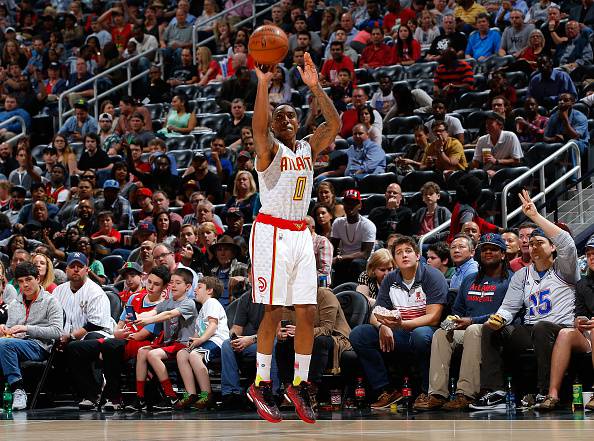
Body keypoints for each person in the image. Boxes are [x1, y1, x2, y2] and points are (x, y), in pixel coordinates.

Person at [247, 51, 340, 424]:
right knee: (273, 309)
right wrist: (263, 84)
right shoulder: (268, 148)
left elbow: (332, 124)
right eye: (279, 115)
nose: (286, 118)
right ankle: (261, 382)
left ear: (298, 122)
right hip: (271, 231)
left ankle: (299, 384)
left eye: (291, 115)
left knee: (307, 310)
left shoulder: (306, 148)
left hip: (300, 232)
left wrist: (316, 87)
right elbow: (257, 128)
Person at [471, 190, 578, 410]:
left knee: (541, 327)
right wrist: (499, 318)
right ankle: (496, 391)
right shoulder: (522, 274)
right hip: (531, 330)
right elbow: (509, 308)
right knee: (490, 329)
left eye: (540, 242)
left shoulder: (565, 269)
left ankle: (544, 391)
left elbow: (567, 242)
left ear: (552, 247)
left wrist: (536, 217)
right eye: (530, 244)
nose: (534, 246)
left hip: (560, 330)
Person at [414, 233, 512, 411]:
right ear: (479, 254)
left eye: (493, 249)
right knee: (441, 333)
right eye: (485, 249)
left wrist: (471, 321)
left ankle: (466, 394)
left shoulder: (509, 280)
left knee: (473, 330)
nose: (488, 252)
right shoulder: (469, 280)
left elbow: (507, 312)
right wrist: (452, 320)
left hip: (495, 330)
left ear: (503, 254)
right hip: (467, 326)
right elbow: (457, 311)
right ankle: (437, 394)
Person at [349, 236, 449, 408]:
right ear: (394, 259)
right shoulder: (390, 279)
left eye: (408, 251)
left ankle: (428, 392)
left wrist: (401, 325)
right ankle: (386, 390)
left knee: (420, 335)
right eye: (399, 253)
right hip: (399, 331)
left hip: (428, 331)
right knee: (359, 334)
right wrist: (382, 326)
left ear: (418, 256)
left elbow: (434, 317)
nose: (404, 255)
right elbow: (376, 313)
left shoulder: (432, 276)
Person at [535, 235, 594, 410]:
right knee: (565, 333)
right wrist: (579, 322)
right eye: (589, 253)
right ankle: (552, 394)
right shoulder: (583, 284)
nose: (591, 257)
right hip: (590, 334)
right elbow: (580, 313)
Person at [131, 268, 198, 411]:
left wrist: (148, 321)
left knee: (152, 354)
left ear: (187, 287)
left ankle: (170, 396)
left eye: (178, 283)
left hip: (183, 345)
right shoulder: (166, 302)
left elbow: (168, 315)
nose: (173, 285)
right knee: (142, 351)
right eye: (172, 282)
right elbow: (152, 312)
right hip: (169, 345)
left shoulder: (189, 303)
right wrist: (137, 317)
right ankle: (140, 397)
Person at [0, 261, 63, 411]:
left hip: (40, 346)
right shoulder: (15, 304)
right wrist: (5, 329)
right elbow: (12, 330)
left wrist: (27, 329)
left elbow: (57, 332)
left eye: (28, 279)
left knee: (4, 345)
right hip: (17, 344)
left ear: (38, 279)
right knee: (4, 343)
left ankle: (18, 389)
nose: (25, 285)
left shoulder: (51, 301)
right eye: (21, 282)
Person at [55, 252, 114, 410]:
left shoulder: (95, 291)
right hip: (68, 337)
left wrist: (71, 336)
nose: (76, 270)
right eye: (72, 266)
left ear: (86, 270)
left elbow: (95, 324)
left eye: (79, 267)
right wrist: (60, 338)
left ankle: (96, 391)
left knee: (86, 343)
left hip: (99, 335)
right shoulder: (58, 291)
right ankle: (87, 393)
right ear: (66, 269)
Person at [174, 277, 228, 410]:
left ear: (209, 290)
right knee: (182, 354)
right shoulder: (203, 309)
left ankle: (207, 395)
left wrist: (201, 340)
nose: (195, 290)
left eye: (199, 287)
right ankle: (191, 394)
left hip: (217, 341)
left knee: (194, 355)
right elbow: (199, 332)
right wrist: (193, 341)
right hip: (206, 340)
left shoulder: (212, 302)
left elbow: (213, 325)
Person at [331, 189, 377, 287]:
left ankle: (355, 291)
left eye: (354, 203)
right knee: (338, 264)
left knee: (356, 264)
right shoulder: (338, 223)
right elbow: (333, 247)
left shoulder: (368, 225)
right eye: (347, 202)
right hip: (344, 261)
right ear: (343, 205)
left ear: (360, 205)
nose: (350, 206)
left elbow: (365, 254)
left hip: (364, 262)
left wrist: (341, 258)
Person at [471, 111, 523, 178]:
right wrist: (475, 169)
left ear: (500, 125)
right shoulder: (482, 140)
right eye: (486, 124)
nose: (487, 126)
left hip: (505, 172)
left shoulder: (510, 137)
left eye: (490, 123)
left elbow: (517, 160)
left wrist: (496, 161)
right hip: (485, 173)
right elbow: (476, 161)